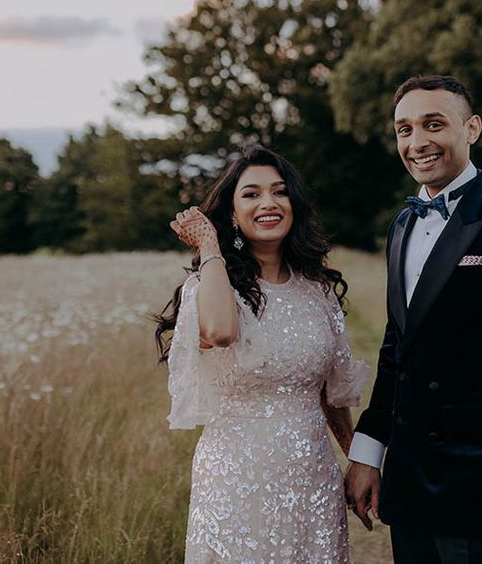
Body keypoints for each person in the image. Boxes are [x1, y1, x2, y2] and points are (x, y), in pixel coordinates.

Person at [344, 75, 482, 564]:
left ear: (472, 128)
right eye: (404, 130)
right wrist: (368, 452)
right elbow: (397, 348)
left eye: (433, 124)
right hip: (410, 489)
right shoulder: (401, 226)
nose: (417, 142)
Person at [155, 146, 368, 563]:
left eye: (279, 192)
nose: (268, 203)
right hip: (237, 483)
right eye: (251, 194)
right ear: (232, 213)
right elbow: (220, 331)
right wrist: (209, 245)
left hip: (313, 482)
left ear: (294, 205)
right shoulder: (210, 286)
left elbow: (332, 394)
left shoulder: (318, 291)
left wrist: (359, 462)